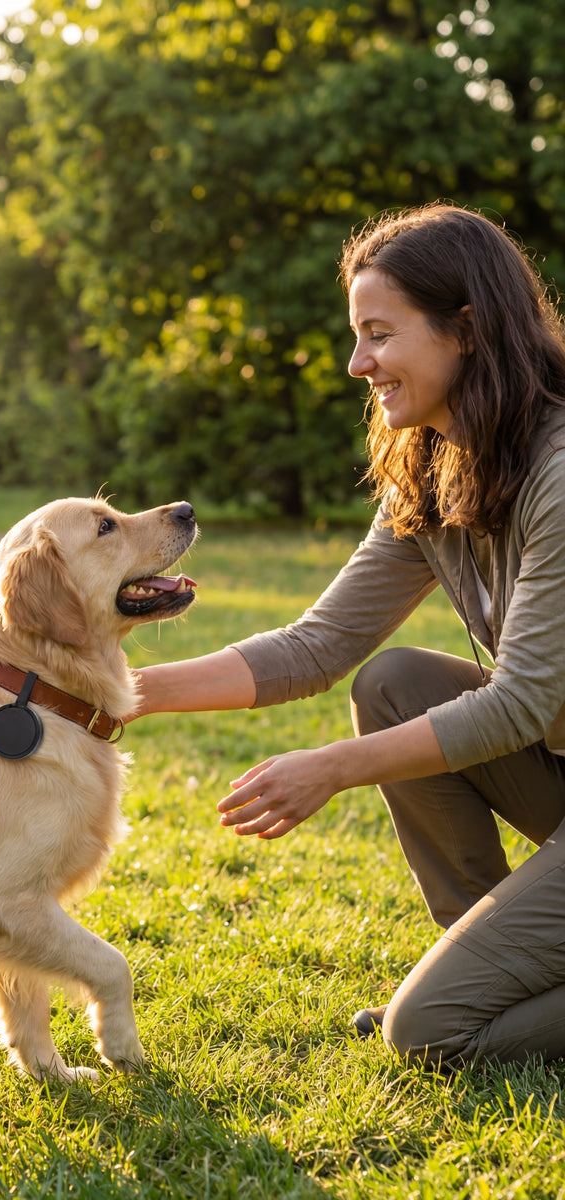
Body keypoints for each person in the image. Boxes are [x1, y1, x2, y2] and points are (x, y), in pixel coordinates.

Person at [133, 203, 565, 1069]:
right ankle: (473, 959)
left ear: (467, 331)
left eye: (378, 334)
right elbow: (319, 646)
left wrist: (330, 768)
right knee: (393, 678)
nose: (356, 362)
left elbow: (524, 702)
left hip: (543, 736)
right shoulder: (440, 464)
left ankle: (459, 993)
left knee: (431, 1034)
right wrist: (115, 696)